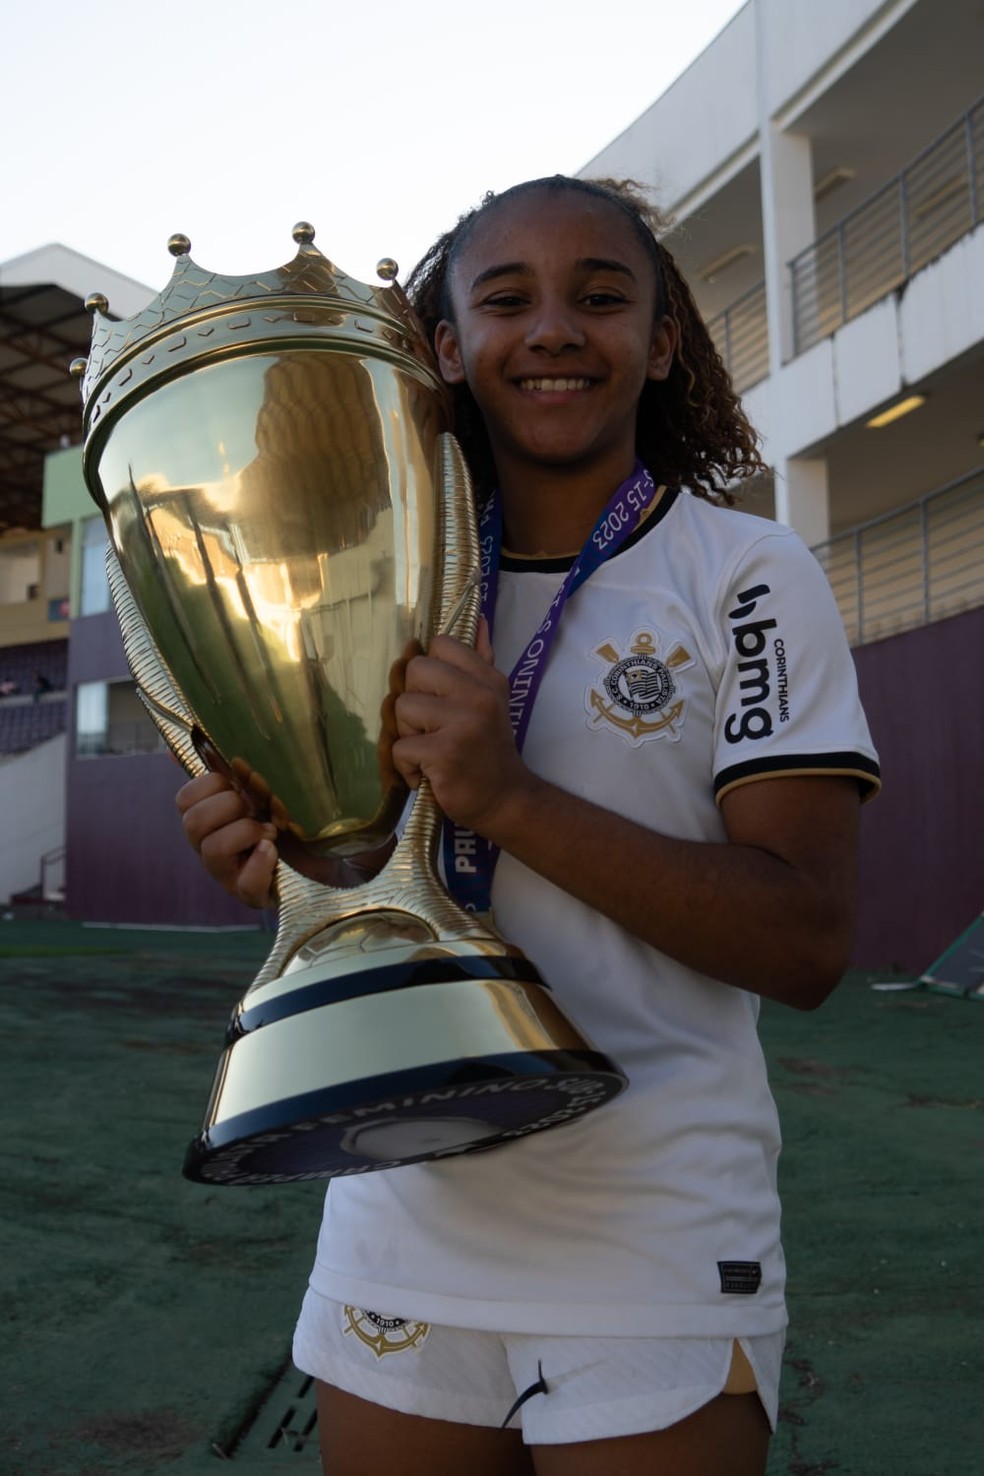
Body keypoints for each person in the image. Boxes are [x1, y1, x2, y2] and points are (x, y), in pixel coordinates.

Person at [176, 175, 880, 1476]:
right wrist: (286, 868)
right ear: (446, 347)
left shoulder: (743, 573)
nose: (552, 328)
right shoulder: (373, 586)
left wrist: (510, 799)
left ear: (661, 343)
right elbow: (368, 873)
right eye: (505, 300)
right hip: (401, 1205)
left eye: (601, 298)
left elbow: (807, 937)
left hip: (652, 1230)